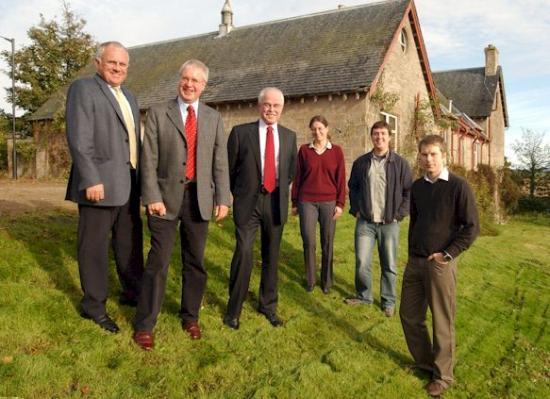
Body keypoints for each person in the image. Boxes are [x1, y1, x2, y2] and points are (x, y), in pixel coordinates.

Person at [132, 60, 230, 350]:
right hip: (164, 199)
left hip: (199, 199)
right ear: (179, 80)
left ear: (204, 86)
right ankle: (145, 324)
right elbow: (147, 159)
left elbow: (220, 161)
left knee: (195, 263)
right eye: (185, 79)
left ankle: (190, 317)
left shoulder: (213, 118)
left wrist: (223, 197)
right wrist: (151, 196)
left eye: (195, 81)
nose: (189, 84)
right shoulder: (159, 113)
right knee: (158, 262)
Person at [65, 41, 144, 333]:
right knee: (94, 248)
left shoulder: (131, 97)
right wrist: (90, 177)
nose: (118, 68)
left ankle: (133, 293)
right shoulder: (83, 88)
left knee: (129, 243)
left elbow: (133, 141)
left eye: (123, 64)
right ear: (98, 62)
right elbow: (78, 137)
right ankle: (94, 306)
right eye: (112, 63)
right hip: (98, 184)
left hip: (129, 184)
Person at [400, 134, 479, 397]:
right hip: (415, 261)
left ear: (444, 155)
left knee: (442, 321)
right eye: (424, 154)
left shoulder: (459, 187)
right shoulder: (418, 187)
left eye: (433, 154)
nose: (428, 159)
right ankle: (425, 364)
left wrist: (447, 254)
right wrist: (412, 251)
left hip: (440, 263)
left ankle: (443, 376)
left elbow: (471, 228)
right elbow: (415, 222)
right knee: (409, 316)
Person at [223, 87, 297, 330]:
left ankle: (268, 306)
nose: (271, 110)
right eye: (267, 105)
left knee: (271, 257)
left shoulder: (289, 136)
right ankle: (233, 310)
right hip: (248, 203)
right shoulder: (240, 133)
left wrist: (275, 187)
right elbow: (229, 170)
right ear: (259, 105)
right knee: (244, 253)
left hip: (275, 202)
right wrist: (236, 194)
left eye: (276, 106)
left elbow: (290, 171)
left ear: (282, 109)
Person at [346, 121, 412, 317]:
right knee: (362, 261)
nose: (379, 138)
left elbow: (408, 192)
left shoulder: (400, 164)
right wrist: (356, 210)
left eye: (383, 134)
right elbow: (353, 187)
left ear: (389, 137)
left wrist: (399, 215)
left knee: (389, 264)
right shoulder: (361, 162)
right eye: (376, 134)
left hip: (389, 223)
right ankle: (364, 295)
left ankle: (388, 301)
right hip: (365, 222)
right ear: (371, 137)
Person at [291, 115, 345, 294]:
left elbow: (340, 179)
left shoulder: (336, 151)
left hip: (329, 202)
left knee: (327, 242)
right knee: (309, 240)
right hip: (307, 201)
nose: (318, 132)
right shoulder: (304, 151)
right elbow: (297, 177)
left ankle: (327, 281)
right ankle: (310, 279)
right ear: (311, 131)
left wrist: (340, 203)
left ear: (327, 129)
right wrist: (294, 201)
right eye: (314, 129)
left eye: (321, 128)